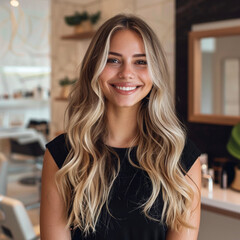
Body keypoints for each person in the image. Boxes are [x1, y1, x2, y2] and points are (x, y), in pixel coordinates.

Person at [40, 14, 201, 240]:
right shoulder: (63, 155)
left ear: (155, 72)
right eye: (113, 60)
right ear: (94, 67)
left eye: (141, 62)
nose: (126, 73)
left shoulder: (181, 158)